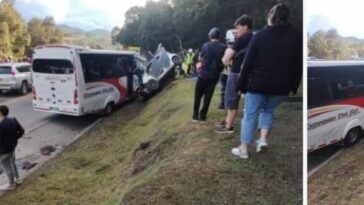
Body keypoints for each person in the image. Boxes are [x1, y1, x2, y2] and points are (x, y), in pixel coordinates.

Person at [232, 3, 302, 159]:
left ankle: (243, 149)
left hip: (258, 84)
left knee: (250, 115)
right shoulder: (296, 37)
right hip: (282, 86)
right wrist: (294, 85)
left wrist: (240, 85)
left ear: (270, 16)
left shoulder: (260, 36)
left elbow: (248, 64)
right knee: (268, 110)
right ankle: (262, 139)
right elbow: (298, 64)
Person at [216, 15, 253, 133]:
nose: (237, 31)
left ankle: (228, 126)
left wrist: (228, 49)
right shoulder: (254, 38)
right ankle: (227, 121)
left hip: (236, 72)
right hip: (250, 74)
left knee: (231, 99)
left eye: (238, 28)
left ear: (245, 27)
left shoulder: (241, 40)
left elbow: (225, 60)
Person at [192, 27, 226, 122]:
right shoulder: (223, 47)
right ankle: (203, 116)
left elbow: (201, 58)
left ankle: (195, 115)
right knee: (208, 96)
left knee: (198, 95)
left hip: (203, 74)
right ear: (219, 36)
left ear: (210, 35)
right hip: (214, 75)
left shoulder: (205, 46)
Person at [0, 105, 24, 190]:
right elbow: (22, 131)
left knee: (7, 167)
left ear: (1, 113)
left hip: (3, 151)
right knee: (12, 162)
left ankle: (11, 184)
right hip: (12, 147)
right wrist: (14, 139)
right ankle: (18, 179)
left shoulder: (1, 125)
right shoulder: (13, 120)